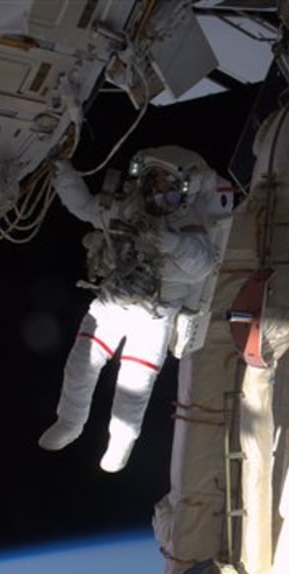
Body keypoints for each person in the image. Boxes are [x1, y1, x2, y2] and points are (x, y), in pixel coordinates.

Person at [39, 145, 219, 472]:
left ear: (185, 191)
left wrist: (173, 243)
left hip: (155, 313)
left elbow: (202, 265)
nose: (159, 191)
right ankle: (70, 421)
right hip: (113, 300)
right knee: (81, 364)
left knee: (134, 384)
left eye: (169, 185)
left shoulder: (191, 225)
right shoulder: (126, 209)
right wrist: (63, 173)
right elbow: (84, 207)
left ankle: (121, 440)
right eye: (155, 181)